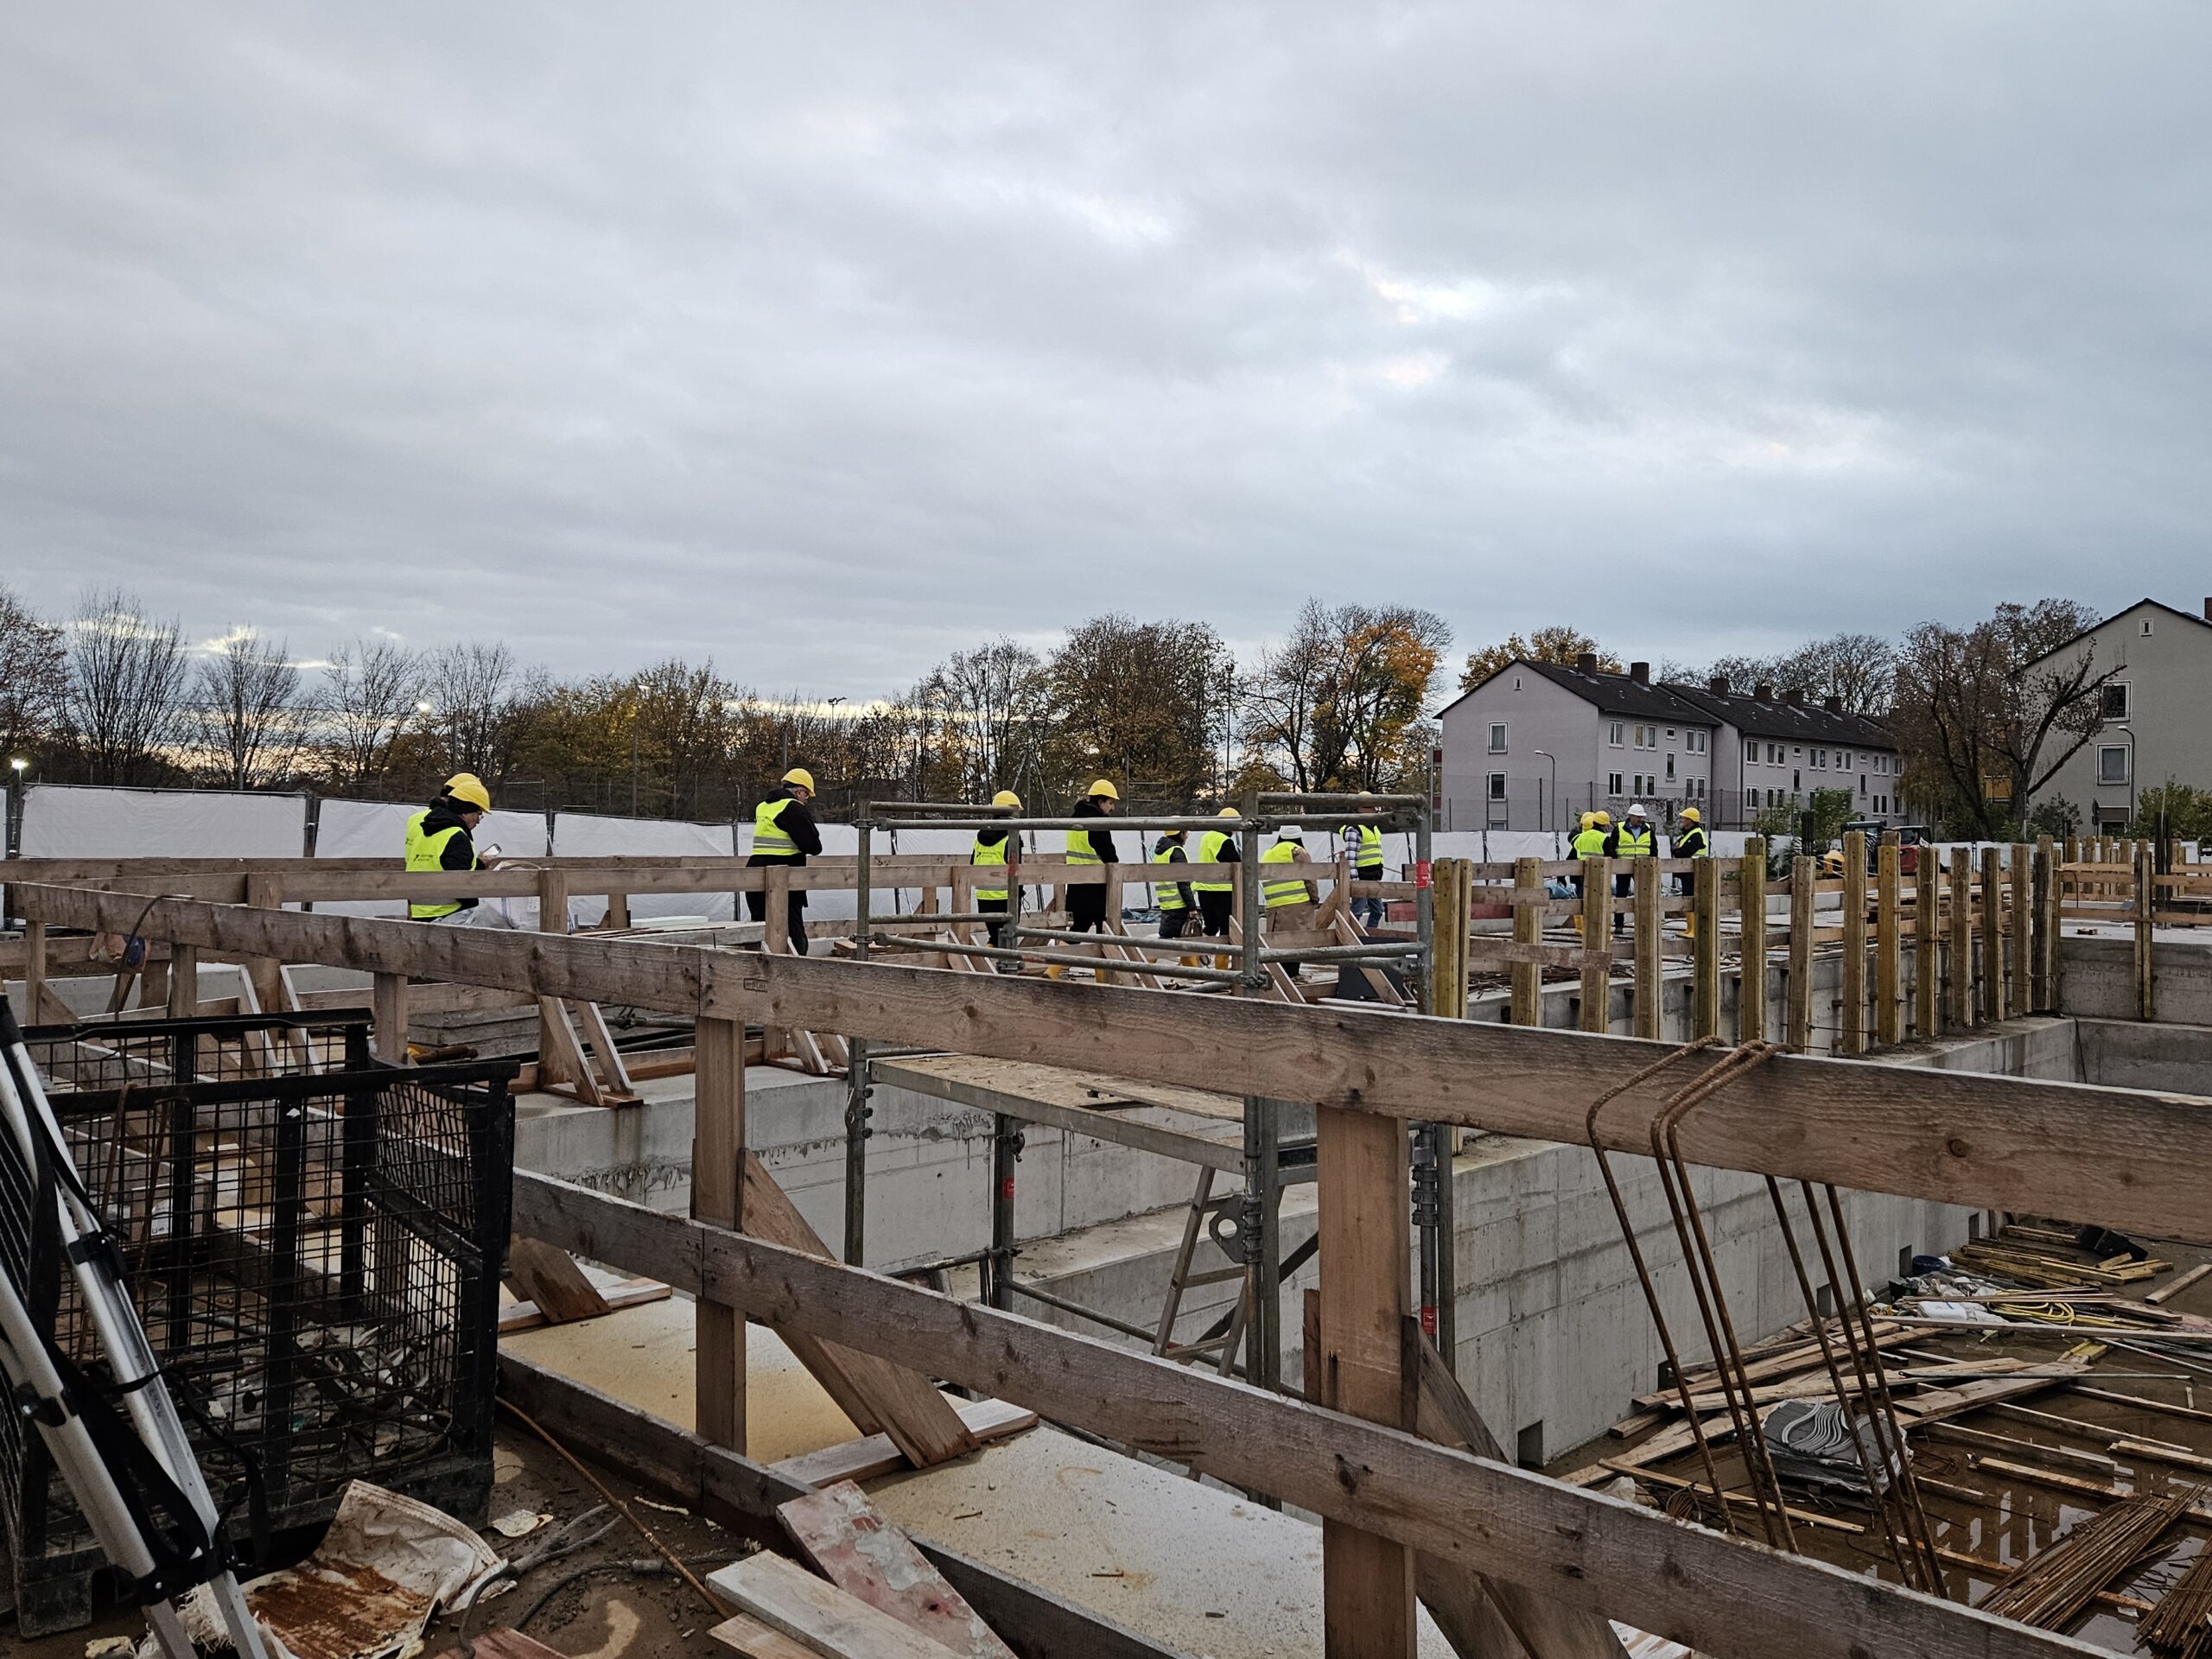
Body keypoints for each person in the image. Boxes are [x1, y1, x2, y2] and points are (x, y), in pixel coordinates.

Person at [405, 773, 514, 926]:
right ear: (465, 812)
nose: (478, 821)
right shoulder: (456, 835)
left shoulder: (428, 830)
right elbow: (462, 884)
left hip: (420, 911)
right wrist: (477, 905)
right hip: (450, 914)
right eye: (478, 814)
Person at [747, 766, 823, 954]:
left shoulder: (762, 806)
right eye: (807, 795)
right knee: (793, 931)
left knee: (761, 930)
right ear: (799, 792)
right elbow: (813, 846)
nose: (806, 800)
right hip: (785, 877)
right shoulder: (792, 807)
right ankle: (796, 969)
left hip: (755, 874)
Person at [1064, 779, 1121, 937]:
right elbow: (1109, 855)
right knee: (1103, 931)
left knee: (1078, 929)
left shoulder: (1075, 819)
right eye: (1110, 803)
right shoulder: (1096, 823)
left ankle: (1060, 952)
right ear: (1100, 802)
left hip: (1076, 884)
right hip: (1095, 886)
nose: (1112, 808)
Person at [972, 789, 1022, 959]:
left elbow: (972, 864)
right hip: (1006, 897)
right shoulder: (1012, 836)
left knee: (994, 936)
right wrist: (1020, 891)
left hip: (984, 897)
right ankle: (1002, 968)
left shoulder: (980, 835)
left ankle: (987, 963)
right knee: (1008, 936)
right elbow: (1017, 869)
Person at [1193, 806, 1242, 968]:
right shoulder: (1224, 841)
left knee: (1211, 927)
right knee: (1226, 931)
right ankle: (1222, 970)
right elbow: (1236, 863)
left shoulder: (1206, 837)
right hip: (1222, 892)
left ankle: (1196, 959)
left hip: (1203, 889)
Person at [1605, 803, 1656, 936]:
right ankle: (1619, 925)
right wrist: (1616, 862)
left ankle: (1644, 924)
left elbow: (1653, 848)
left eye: (1642, 817)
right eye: (1638, 817)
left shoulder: (1648, 829)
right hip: (1624, 866)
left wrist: (1652, 864)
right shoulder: (1620, 828)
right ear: (1631, 816)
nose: (1640, 819)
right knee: (1621, 895)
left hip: (1643, 866)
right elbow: (1612, 846)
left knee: (1644, 895)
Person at [1341, 794, 1388, 931]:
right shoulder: (1354, 829)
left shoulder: (1373, 827)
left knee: (1377, 911)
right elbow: (1350, 857)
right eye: (1371, 807)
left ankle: (1368, 936)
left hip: (1374, 876)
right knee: (1357, 911)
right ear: (1360, 808)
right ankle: (1351, 937)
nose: (1374, 810)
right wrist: (1354, 880)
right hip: (1361, 877)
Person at [1152, 826, 1197, 964]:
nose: (1187, 836)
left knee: (1168, 941)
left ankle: (1143, 969)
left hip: (1167, 904)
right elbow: (1183, 882)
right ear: (1180, 833)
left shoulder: (1161, 853)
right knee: (1183, 944)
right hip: (1179, 904)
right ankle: (1142, 970)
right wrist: (1192, 907)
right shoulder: (1177, 852)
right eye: (1186, 833)